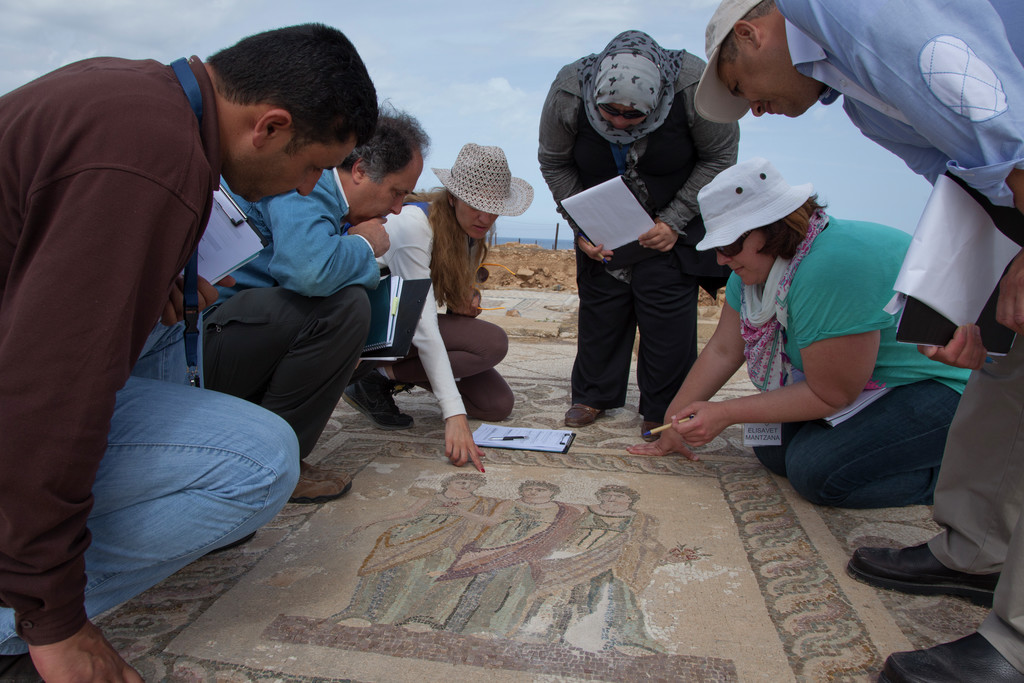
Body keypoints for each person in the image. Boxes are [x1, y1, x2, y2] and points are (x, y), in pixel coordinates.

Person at [0, 23, 378, 682]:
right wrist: (51, 616)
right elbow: (48, 393)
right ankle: (12, 617)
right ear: (268, 127)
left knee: (168, 336)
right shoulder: (149, 158)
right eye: (313, 164)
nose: (303, 187)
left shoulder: (140, 98)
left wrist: (150, 281)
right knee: (258, 462)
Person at [696, 1, 1024, 679]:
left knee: (820, 468)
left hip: (921, 379)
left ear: (752, 34)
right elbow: (965, 180)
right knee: (1004, 379)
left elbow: (1001, 124)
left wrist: (723, 413)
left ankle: (1015, 641)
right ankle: (977, 550)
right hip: (1005, 220)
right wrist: (979, 289)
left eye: (739, 86)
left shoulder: (860, 15)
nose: (751, 108)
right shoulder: (856, 100)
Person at [628, 157, 970, 508]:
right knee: (772, 447)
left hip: (938, 385)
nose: (720, 260)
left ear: (772, 229)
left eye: (728, 246)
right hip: (867, 387)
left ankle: (963, 477)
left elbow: (834, 393)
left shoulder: (831, 265)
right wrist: (673, 425)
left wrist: (726, 412)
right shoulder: (750, 273)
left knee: (816, 473)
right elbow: (723, 350)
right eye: (717, 248)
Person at [203, 111, 429, 504]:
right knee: (344, 308)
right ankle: (271, 463)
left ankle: (258, 446)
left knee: (347, 315)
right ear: (359, 170)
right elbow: (307, 270)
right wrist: (363, 246)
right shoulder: (308, 184)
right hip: (201, 347)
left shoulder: (330, 194)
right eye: (396, 191)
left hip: (234, 334)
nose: (396, 209)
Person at [538, 29, 739, 440]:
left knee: (667, 314)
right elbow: (554, 162)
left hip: (670, 222)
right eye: (609, 111)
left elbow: (721, 156)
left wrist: (674, 221)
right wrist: (582, 225)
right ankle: (594, 394)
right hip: (601, 223)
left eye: (633, 116)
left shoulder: (693, 87)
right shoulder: (568, 92)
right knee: (601, 306)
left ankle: (663, 407)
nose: (618, 122)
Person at [345, 143, 533, 473]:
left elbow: (433, 304)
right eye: (477, 205)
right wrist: (453, 414)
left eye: (494, 208)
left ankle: (387, 377)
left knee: (496, 405)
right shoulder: (415, 224)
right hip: (365, 335)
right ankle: (371, 377)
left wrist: (465, 301)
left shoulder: (467, 234)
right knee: (491, 343)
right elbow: (424, 327)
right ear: (453, 197)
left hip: (401, 331)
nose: (486, 217)